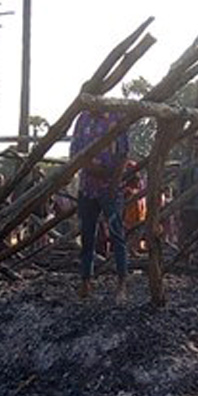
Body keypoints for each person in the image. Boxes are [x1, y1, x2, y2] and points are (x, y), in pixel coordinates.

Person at [70, 107, 130, 300]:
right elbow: (75, 153)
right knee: (87, 236)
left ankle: (122, 283)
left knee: (116, 235)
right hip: (88, 188)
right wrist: (93, 168)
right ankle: (86, 281)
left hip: (110, 188)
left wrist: (114, 182)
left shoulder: (116, 117)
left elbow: (124, 154)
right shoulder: (83, 119)